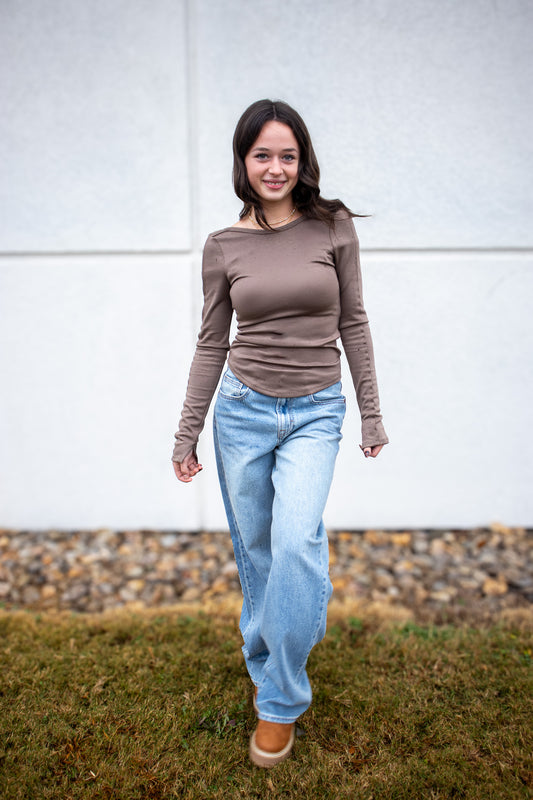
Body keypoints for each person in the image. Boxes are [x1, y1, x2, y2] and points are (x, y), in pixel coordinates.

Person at [172, 99, 388, 767]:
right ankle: (267, 654)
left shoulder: (333, 227)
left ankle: (279, 700)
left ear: (303, 162)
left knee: (295, 542)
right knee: (259, 555)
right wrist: (185, 433)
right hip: (240, 410)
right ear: (243, 160)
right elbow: (211, 342)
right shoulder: (223, 246)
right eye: (262, 154)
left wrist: (372, 412)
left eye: (286, 155)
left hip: (316, 410)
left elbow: (353, 321)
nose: (275, 166)